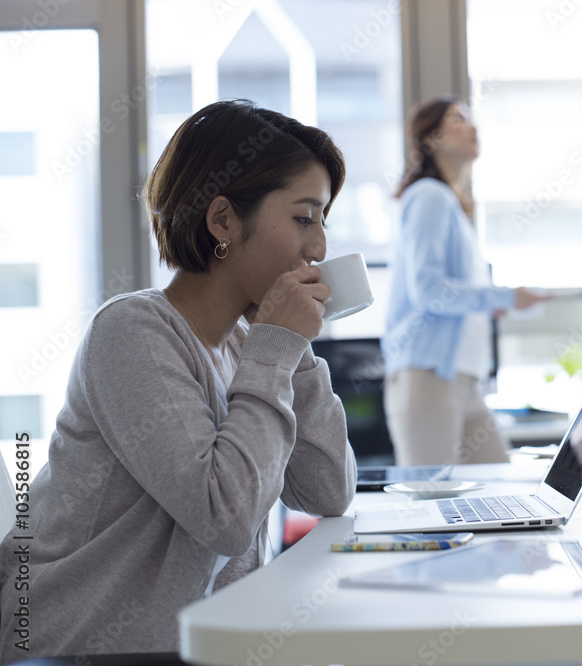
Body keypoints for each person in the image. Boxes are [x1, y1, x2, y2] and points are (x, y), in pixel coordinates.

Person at [0, 100, 357, 661]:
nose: (319, 247)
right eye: (303, 217)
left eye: (323, 222)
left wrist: (295, 348)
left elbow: (327, 491)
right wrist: (277, 346)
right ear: (222, 221)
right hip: (82, 649)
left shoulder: (250, 344)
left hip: (202, 647)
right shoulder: (131, 332)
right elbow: (225, 518)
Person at [382, 95, 546, 466]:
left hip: (465, 381)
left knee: (499, 495)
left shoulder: (452, 205)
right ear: (431, 138)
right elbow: (428, 291)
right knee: (432, 506)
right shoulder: (429, 196)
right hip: (429, 378)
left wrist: (492, 306)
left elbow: (451, 295)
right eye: (458, 119)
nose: (472, 127)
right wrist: (502, 297)